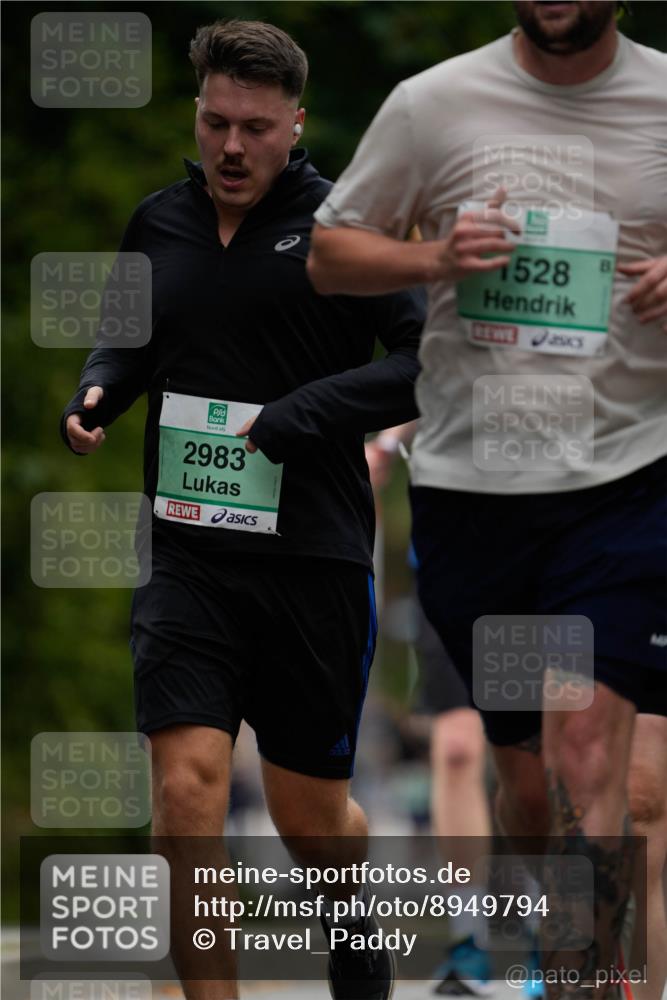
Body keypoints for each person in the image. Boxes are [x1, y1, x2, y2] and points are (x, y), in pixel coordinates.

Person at [61, 19, 425, 1000]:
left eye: (255, 128)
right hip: (189, 555)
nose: (230, 147)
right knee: (185, 793)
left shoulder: (348, 227)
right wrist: (95, 395)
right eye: (216, 122)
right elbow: (126, 341)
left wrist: (303, 415)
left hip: (312, 556)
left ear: (294, 123)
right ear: (198, 112)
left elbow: (422, 366)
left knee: (314, 823)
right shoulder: (160, 223)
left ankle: (356, 921)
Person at [307, 3, 667, 997]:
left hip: (629, 478)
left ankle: (588, 983)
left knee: (587, 744)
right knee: (523, 778)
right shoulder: (434, 104)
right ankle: (552, 944)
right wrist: (434, 259)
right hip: (476, 489)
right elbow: (331, 254)